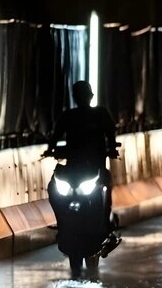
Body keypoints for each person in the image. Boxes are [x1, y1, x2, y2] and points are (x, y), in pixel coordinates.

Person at [49, 80, 121, 251]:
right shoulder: (69, 116)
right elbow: (55, 134)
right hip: (73, 170)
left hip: (95, 169)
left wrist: (112, 148)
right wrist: (50, 149)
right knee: (53, 187)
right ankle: (61, 223)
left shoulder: (100, 114)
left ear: (90, 96)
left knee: (105, 185)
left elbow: (111, 133)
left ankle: (106, 226)